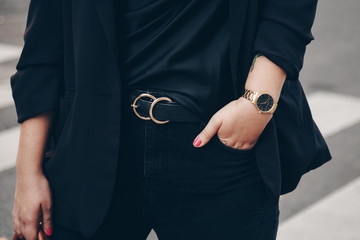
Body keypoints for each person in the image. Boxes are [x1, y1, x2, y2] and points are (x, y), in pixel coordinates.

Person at [10, 0, 331, 239]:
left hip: (219, 149)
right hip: (91, 148)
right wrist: (28, 174)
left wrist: (257, 103)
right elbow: (43, 46)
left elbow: (288, 11)